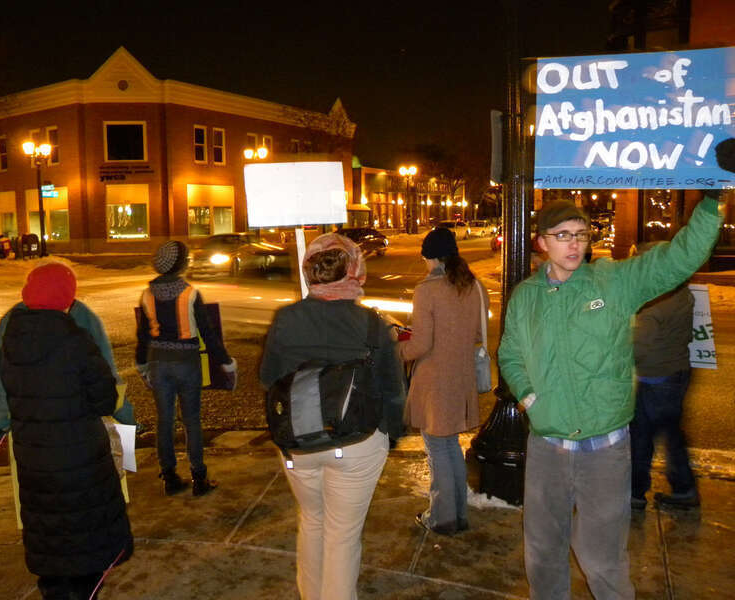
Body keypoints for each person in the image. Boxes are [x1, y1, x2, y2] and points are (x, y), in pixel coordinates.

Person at [498, 192, 723, 600]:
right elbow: (510, 352)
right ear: (542, 242)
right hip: (547, 447)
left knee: (603, 561)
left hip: (603, 450)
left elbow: (677, 259)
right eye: (562, 235)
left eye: (581, 235)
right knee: (543, 556)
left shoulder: (613, 281)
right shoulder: (525, 296)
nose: (573, 244)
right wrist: (530, 398)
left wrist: (709, 204)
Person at [260, 233, 405, 600]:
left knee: (311, 522)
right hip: (357, 442)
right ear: (353, 271)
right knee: (342, 534)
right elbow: (393, 388)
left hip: (298, 442)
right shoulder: (371, 324)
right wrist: (391, 435)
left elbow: (267, 377)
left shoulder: (285, 319)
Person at [0, 262, 133, 599]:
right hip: (79, 454)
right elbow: (104, 398)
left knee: (47, 525)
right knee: (84, 528)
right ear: (65, 300)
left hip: (33, 453)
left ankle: (53, 590)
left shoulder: (10, 340)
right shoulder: (75, 339)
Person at [397, 227, 489, 535]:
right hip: (460, 377)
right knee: (450, 446)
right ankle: (457, 514)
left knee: (437, 448)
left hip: (434, 381)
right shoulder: (474, 286)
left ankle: (442, 518)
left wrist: (398, 347)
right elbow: (477, 334)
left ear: (432, 257)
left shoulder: (427, 290)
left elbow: (420, 345)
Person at [136, 240, 236, 496]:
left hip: (158, 361)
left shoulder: (147, 294)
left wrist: (142, 365)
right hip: (187, 362)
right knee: (191, 420)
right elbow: (208, 333)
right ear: (180, 265)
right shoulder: (191, 293)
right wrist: (225, 362)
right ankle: (199, 478)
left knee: (164, 420)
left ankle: (169, 476)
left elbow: (143, 335)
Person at [0, 282, 136, 440]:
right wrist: (126, 420)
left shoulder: (12, 322)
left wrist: (2, 424)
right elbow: (106, 382)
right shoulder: (81, 320)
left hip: (29, 440)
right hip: (79, 436)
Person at [630, 243, 698, 510]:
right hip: (677, 372)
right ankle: (684, 488)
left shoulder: (654, 304)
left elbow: (638, 348)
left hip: (655, 379)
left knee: (640, 437)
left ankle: (635, 493)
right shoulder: (682, 292)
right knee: (672, 435)